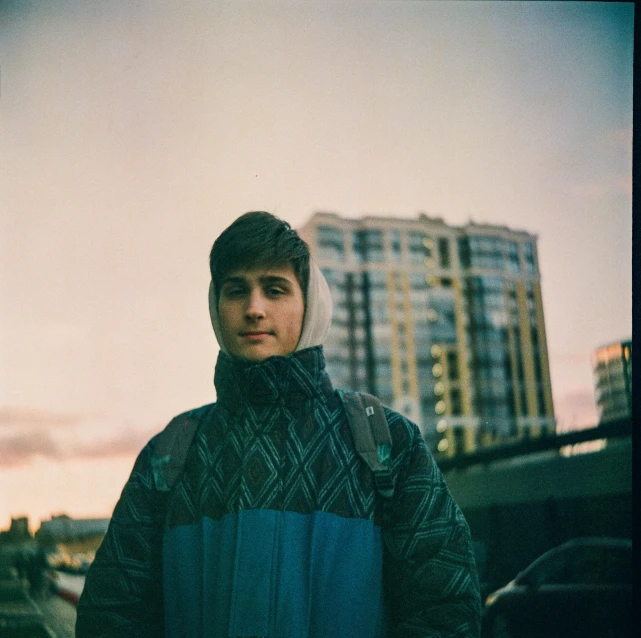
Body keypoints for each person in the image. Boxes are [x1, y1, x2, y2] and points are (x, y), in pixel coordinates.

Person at [76, 211, 481, 637]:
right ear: (216, 307)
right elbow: (112, 614)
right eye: (236, 291)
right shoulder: (168, 455)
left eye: (274, 289)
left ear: (310, 305)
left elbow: (445, 610)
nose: (254, 309)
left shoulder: (388, 444)